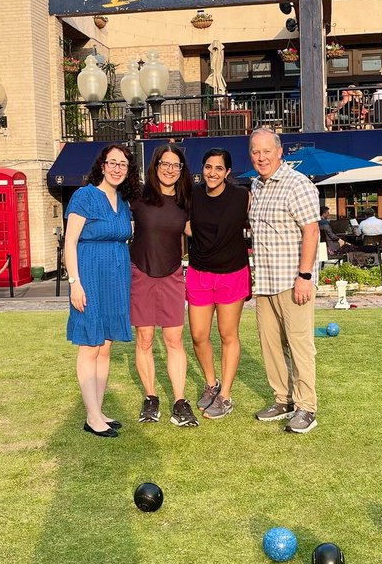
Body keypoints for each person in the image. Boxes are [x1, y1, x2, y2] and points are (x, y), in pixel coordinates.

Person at [248, 127, 321, 434]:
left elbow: (311, 232)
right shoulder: (256, 186)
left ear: (279, 152)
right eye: (255, 151)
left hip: (293, 281)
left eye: (267, 151)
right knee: (271, 346)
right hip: (265, 281)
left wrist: (304, 276)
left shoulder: (297, 184)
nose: (261, 157)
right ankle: (283, 400)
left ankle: (306, 407)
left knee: (299, 345)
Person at [65, 144, 139, 439]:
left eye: (123, 164)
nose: (117, 168)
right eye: (113, 163)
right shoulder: (84, 196)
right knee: (90, 344)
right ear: (102, 165)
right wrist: (74, 282)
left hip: (115, 278)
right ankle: (92, 416)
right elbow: (70, 242)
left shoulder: (121, 201)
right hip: (89, 276)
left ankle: (97, 410)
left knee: (106, 345)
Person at [130, 144, 194, 427]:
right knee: (144, 339)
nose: (170, 169)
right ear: (155, 166)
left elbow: (202, 229)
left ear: (181, 171)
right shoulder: (138, 198)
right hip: (140, 272)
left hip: (172, 275)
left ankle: (179, 402)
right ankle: (151, 398)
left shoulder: (186, 202)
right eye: (164, 164)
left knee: (174, 340)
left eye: (175, 165)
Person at [187, 148, 250, 422]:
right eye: (208, 167)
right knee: (199, 335)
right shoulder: (192, 195)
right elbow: (185, 225)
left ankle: (225, 395)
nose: (212, 173)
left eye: (218, 168)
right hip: (199, 272)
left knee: (227, 334)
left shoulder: (242, 196)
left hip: (232, 273)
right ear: (202, 169)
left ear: (227, 172)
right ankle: (210, 383)